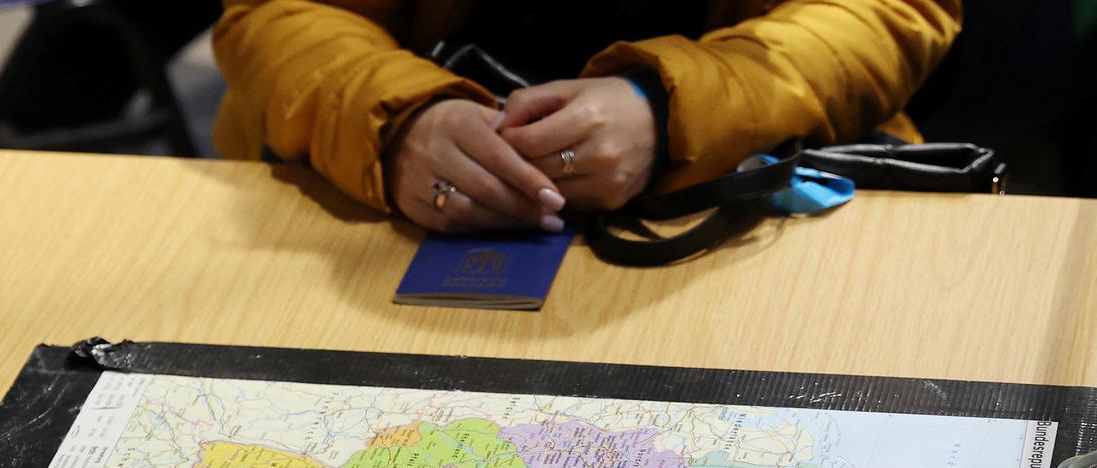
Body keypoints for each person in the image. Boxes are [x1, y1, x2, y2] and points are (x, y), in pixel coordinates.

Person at [212, 1, 961, 233]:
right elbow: (282, 13)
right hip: (386, 206)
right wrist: (398, 121)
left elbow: (889, 8)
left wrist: (674, 108)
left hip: (746, 189)